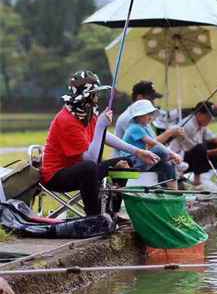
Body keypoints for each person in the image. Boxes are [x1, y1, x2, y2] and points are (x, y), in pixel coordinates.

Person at [41, 71, 159, 216]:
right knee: (89, 168)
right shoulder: (67, 120)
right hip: (56, 176)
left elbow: (104, 136)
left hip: (81, 169)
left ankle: (111, 212)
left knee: (125, 161)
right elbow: (91, 159)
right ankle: (94, 216)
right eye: (94, 94)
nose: (97, 99)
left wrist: (138, 152)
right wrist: (101, 126)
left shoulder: (86, 113)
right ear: (86, 96)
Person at [122, 101, 183, 189]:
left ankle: (174, 192)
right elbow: (154, 144)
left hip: (144, 159)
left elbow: (154, 145)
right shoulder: (134, 128)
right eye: (148, 114)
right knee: (159, 150)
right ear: (138, 116)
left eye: (152, 114)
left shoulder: (146, 127)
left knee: (168, 164)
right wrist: (173, 154)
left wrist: (170, 156)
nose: (151, 117)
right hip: (132, 161)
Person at [114, 81, 183, 155]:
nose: (153, 102)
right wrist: (170, 132)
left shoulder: (143, 118)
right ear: (139, 98)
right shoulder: (129, 118)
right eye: (150, 99)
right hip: (128, 162)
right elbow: (150, 144)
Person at [169, 102, 217, 187]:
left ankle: (204, 176)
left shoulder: (200, 124)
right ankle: (197, 180)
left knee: (212, 144)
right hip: (179, 156)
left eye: (211, 117)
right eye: (208, 117)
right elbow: (192, 148)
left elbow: (211, 136)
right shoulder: (188, 125)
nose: (210, 120)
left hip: (191, 152)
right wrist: (215, 152)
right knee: (200, 148)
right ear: (199, 114)